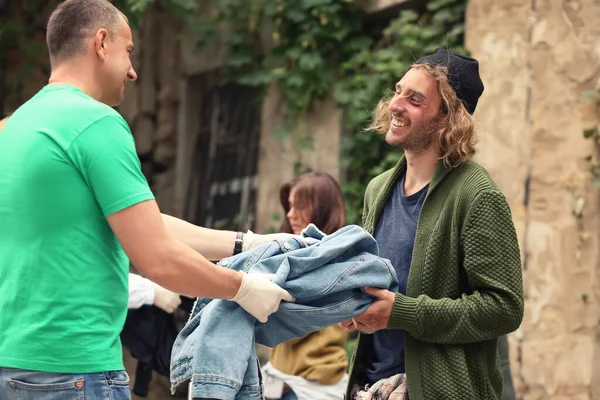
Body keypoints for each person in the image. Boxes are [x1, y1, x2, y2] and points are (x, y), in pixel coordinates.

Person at [0, 1, 299, 398]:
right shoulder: (96, 122)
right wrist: (241, 287)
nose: (133, 70)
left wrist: (246, 243)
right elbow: (157, 257)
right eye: (130, 51)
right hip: (72, 371)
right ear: (101, 42)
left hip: (13, 365)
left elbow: (144, 222)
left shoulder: (14, 127)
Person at [339, 48, 524, 400]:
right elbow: (372, 283)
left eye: (415, 99)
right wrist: (351, 306)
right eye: (398, 91)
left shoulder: (477, 194)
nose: (396, 104)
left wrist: (402, 312)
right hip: (369, 389)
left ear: (447, 118)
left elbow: (505, 308)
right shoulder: (377, 190)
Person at [261, 172, 349, 400]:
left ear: (322, 208)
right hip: (280, 380)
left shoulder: (337, 258)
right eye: (289, 206)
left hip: (315, 385)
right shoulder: (290, 252)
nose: (290, 215)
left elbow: (288, 317)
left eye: (299, 206)